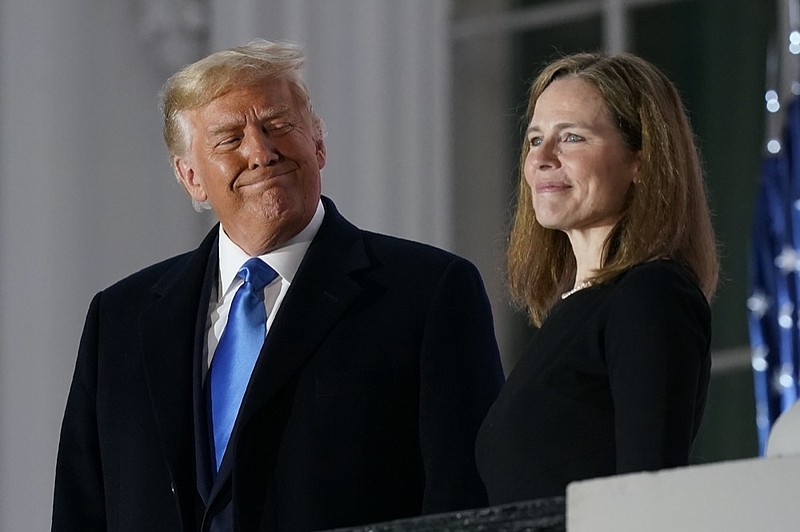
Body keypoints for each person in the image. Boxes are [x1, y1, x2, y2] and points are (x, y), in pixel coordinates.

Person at [52, 39, 505, 531]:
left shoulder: (427, 292)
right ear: (191, 178)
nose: (261, 153)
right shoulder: (119, 319)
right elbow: (82, 509)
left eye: (278, 126)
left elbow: (465, 504)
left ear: (319, 143)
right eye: (229, 138)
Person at [474, 52, 719, 504]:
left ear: (641, 161)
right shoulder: (573, 312)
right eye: (533, 140)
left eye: (571, 137)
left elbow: (649, 498)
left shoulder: (651, 296)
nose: (542, 158)